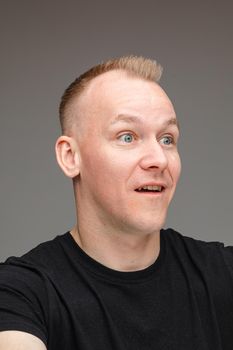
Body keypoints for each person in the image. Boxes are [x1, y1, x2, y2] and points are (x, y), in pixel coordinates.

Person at [0, 55, 232, 350]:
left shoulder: (224, 274)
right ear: (71, 157)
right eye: (127, 137)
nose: (159, 160)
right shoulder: (20, 294)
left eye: (167, 139)